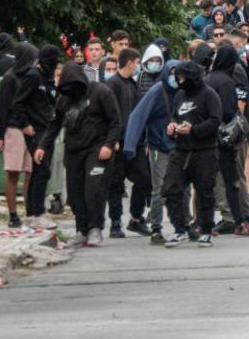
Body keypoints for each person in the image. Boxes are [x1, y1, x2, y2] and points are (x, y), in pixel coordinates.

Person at [35, 61, 121, 248]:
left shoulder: (101, 92)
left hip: (98, 150)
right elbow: (55, 124)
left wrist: (109, 144)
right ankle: (81, 230)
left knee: (94, 189)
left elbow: (115, 120)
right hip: (73, 150)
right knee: (75, 193)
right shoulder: (63, 98)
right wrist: (42, 146)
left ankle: (95, 228)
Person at [160, 61, 223, 248]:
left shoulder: (209, 95)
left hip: (205, 151)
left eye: (180, 76)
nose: (178, 80)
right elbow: (175, 116)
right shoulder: (179, 95)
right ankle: (180, 229)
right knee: (170, 188)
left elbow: (215, 121)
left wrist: (194, 129)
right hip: (180, 150)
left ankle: (205, 231)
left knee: (205, 192)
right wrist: (172, 126)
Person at [122, 59, 182, 245]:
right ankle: (156, 227)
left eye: (177, 73)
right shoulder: (157, 91)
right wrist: (130, 145)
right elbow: (137, 117)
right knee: (159, 189)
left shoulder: (184, 90)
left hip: (180, 147)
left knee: (183, 188)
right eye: (171, 72)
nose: (174, 77)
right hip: (159, 146)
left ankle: (183, 225)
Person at [207, 45, 249, 236]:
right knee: (234, 181)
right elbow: (231, 110)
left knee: (208, 182)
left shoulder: (209, 78)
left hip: (208, 137)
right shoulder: (227, 81)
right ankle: (241, 221)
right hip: (227, 139)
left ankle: (203, 223)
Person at [10, 44, 61, 230]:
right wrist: (25, 124)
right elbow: (18, 102)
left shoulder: (48, 78)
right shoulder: (33, 76)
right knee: (42, 171)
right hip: (35, 130)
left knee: (40, 172)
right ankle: (36, 213)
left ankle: (33, 214)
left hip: (47, 130)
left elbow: (51, 101)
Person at [104, 48, 152, 239]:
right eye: (137, 62)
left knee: (144, 180)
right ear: (130, 62)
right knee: (115, 184)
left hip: (135, 143)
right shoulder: (112, 84)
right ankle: (116, 222)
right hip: (118, 142)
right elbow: (108, 115)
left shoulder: (132, 85)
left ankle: (136, 218)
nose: (138, 67)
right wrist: (111, 139)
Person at [0, 42, 38, 228]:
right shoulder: (10, 78)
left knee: (30, 173)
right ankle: (13, 215)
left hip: (32, 129)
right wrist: (0, 134)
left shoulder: (32, 77)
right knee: (13, 173)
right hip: (14, 129)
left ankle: (29, 213)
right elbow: (3, 107)